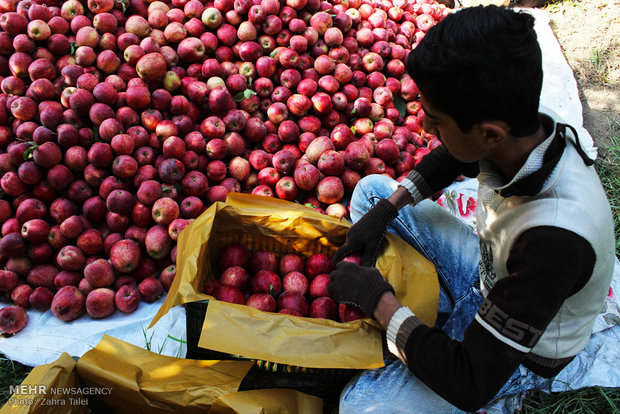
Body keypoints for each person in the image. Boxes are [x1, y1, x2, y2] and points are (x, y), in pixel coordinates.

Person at [328, 5, 616, 413]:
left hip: (521, 352)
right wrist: (388, 209)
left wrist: (378, 301)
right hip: (488, 277)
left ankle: (432, 329)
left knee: (359, 407)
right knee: (374, 192)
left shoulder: (554, 239)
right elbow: (454, 158)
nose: (427, 129)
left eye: (436, 121)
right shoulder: (524, 129)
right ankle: (435, 315)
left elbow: (471, 381)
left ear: (489, 134)